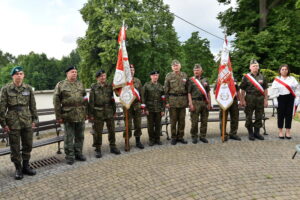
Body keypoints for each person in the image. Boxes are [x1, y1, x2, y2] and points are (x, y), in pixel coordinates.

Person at [0, 66, 38, 180]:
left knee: (28, 144)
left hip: (26, 120)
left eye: (21, 73)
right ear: (13, 76)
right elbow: (2, 108)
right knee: (15, 146)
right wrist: (4, 124)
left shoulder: (28, 88)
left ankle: (26, 166)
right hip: (13, 121)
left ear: (23, 75)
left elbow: (33, 105)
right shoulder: (6, 89)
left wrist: (35, 120)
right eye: (16, 74)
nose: (19, 76)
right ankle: (18, 168)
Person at [53, 66, 88, 165]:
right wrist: (58, 116)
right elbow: (56, 102)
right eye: (72, 72)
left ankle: (78, 153)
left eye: (76, 72)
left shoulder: (80, 84)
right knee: (69, 137)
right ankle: (70, 156)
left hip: (80, 114)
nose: (74, 74)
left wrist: (86, 112)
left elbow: (85, 98)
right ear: (67, 73)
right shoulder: (61, 85)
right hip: (68, 114)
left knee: (80, 136)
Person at [89, 69, 121, 158]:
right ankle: (98, 149)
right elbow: (91, 101)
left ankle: (113, 146)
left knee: (112, 130)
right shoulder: (94, 87)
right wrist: (90, 114)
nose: (103, 77)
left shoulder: (109, 86)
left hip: (109, 111)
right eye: (101, 76)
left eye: (104, 76)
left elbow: (113, 98)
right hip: (98, 112)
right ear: (97, 78)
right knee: (98, 132)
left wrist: (114, 111)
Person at [240, 59, 268, 141]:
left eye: (257, 66)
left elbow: (265, 89)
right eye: (253, 66)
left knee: (259, 116)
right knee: (249, 116)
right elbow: (242, 89)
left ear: (258, 67)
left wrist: (266, 100)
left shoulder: (262, 76)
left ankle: (257, 132)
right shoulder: (246, 77)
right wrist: (242, 100)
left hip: (260, 98)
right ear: (250, 67)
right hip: (249, 98)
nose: (255, 67)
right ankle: (250, 132)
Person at [270, 64, 300, 139]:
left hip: (290, 98)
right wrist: (275, 99)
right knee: (280, 115)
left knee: (289, 115)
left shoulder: (292, 79)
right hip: (280, 98)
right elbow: (273, 90)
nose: (284, 71)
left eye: (285, 69)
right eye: (282, 69)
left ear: (288, 70)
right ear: (280, 71)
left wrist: (297, 97)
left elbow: (297, 88)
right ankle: (280, 131)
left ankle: (288, 131)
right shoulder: (277, 79)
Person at [164, 60, 188, 145]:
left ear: (180, 66)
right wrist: (166, 102)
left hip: (182, 100)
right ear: (172, 67)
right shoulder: (169, 76)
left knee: (182, 120)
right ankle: (173, 137)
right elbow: (166, 90)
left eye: (177, 65)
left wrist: (188, 101)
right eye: (174, 66)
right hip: (172, 101)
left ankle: (180, 137)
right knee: (173, 121)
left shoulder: (184, 75)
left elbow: (187, 89)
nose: (175, 67)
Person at [188, 64, 212, 144]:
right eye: (195, 70)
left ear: (201, 71)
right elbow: (189, 93)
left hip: (204, 102)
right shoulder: (191, 80)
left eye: (198, 70)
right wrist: (190, 104)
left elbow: (208, 92)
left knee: (204, 120)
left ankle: (202, 136)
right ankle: (194, 136)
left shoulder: (205, 80)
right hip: (195, 102)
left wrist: (209, 103)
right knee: (194, 121)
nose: (196, 71)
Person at [123, 64, 144, 149]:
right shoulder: (124, 81)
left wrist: (142, 105)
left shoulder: (137, 81)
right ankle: (127, 142)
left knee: (138, 124)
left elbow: (141, 94)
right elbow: (118, 94)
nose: (131, 71)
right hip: (127, 106)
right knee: (128, 125)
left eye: (133, 70)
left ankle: (138, 141)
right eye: (130, 70)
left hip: (137, 106)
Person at [142, 70, 165, 146]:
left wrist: (163, 109)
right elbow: (143, 98)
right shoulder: (146, 85)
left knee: (158, 125)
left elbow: (163, 99)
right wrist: (145, 109)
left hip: (158, 109)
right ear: (151, 76)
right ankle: (151, 139)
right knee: (150, 125)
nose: (155, 77)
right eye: (154, 75)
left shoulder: (160, 86)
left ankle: (157, 139)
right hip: (150, 108)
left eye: (157, 75)